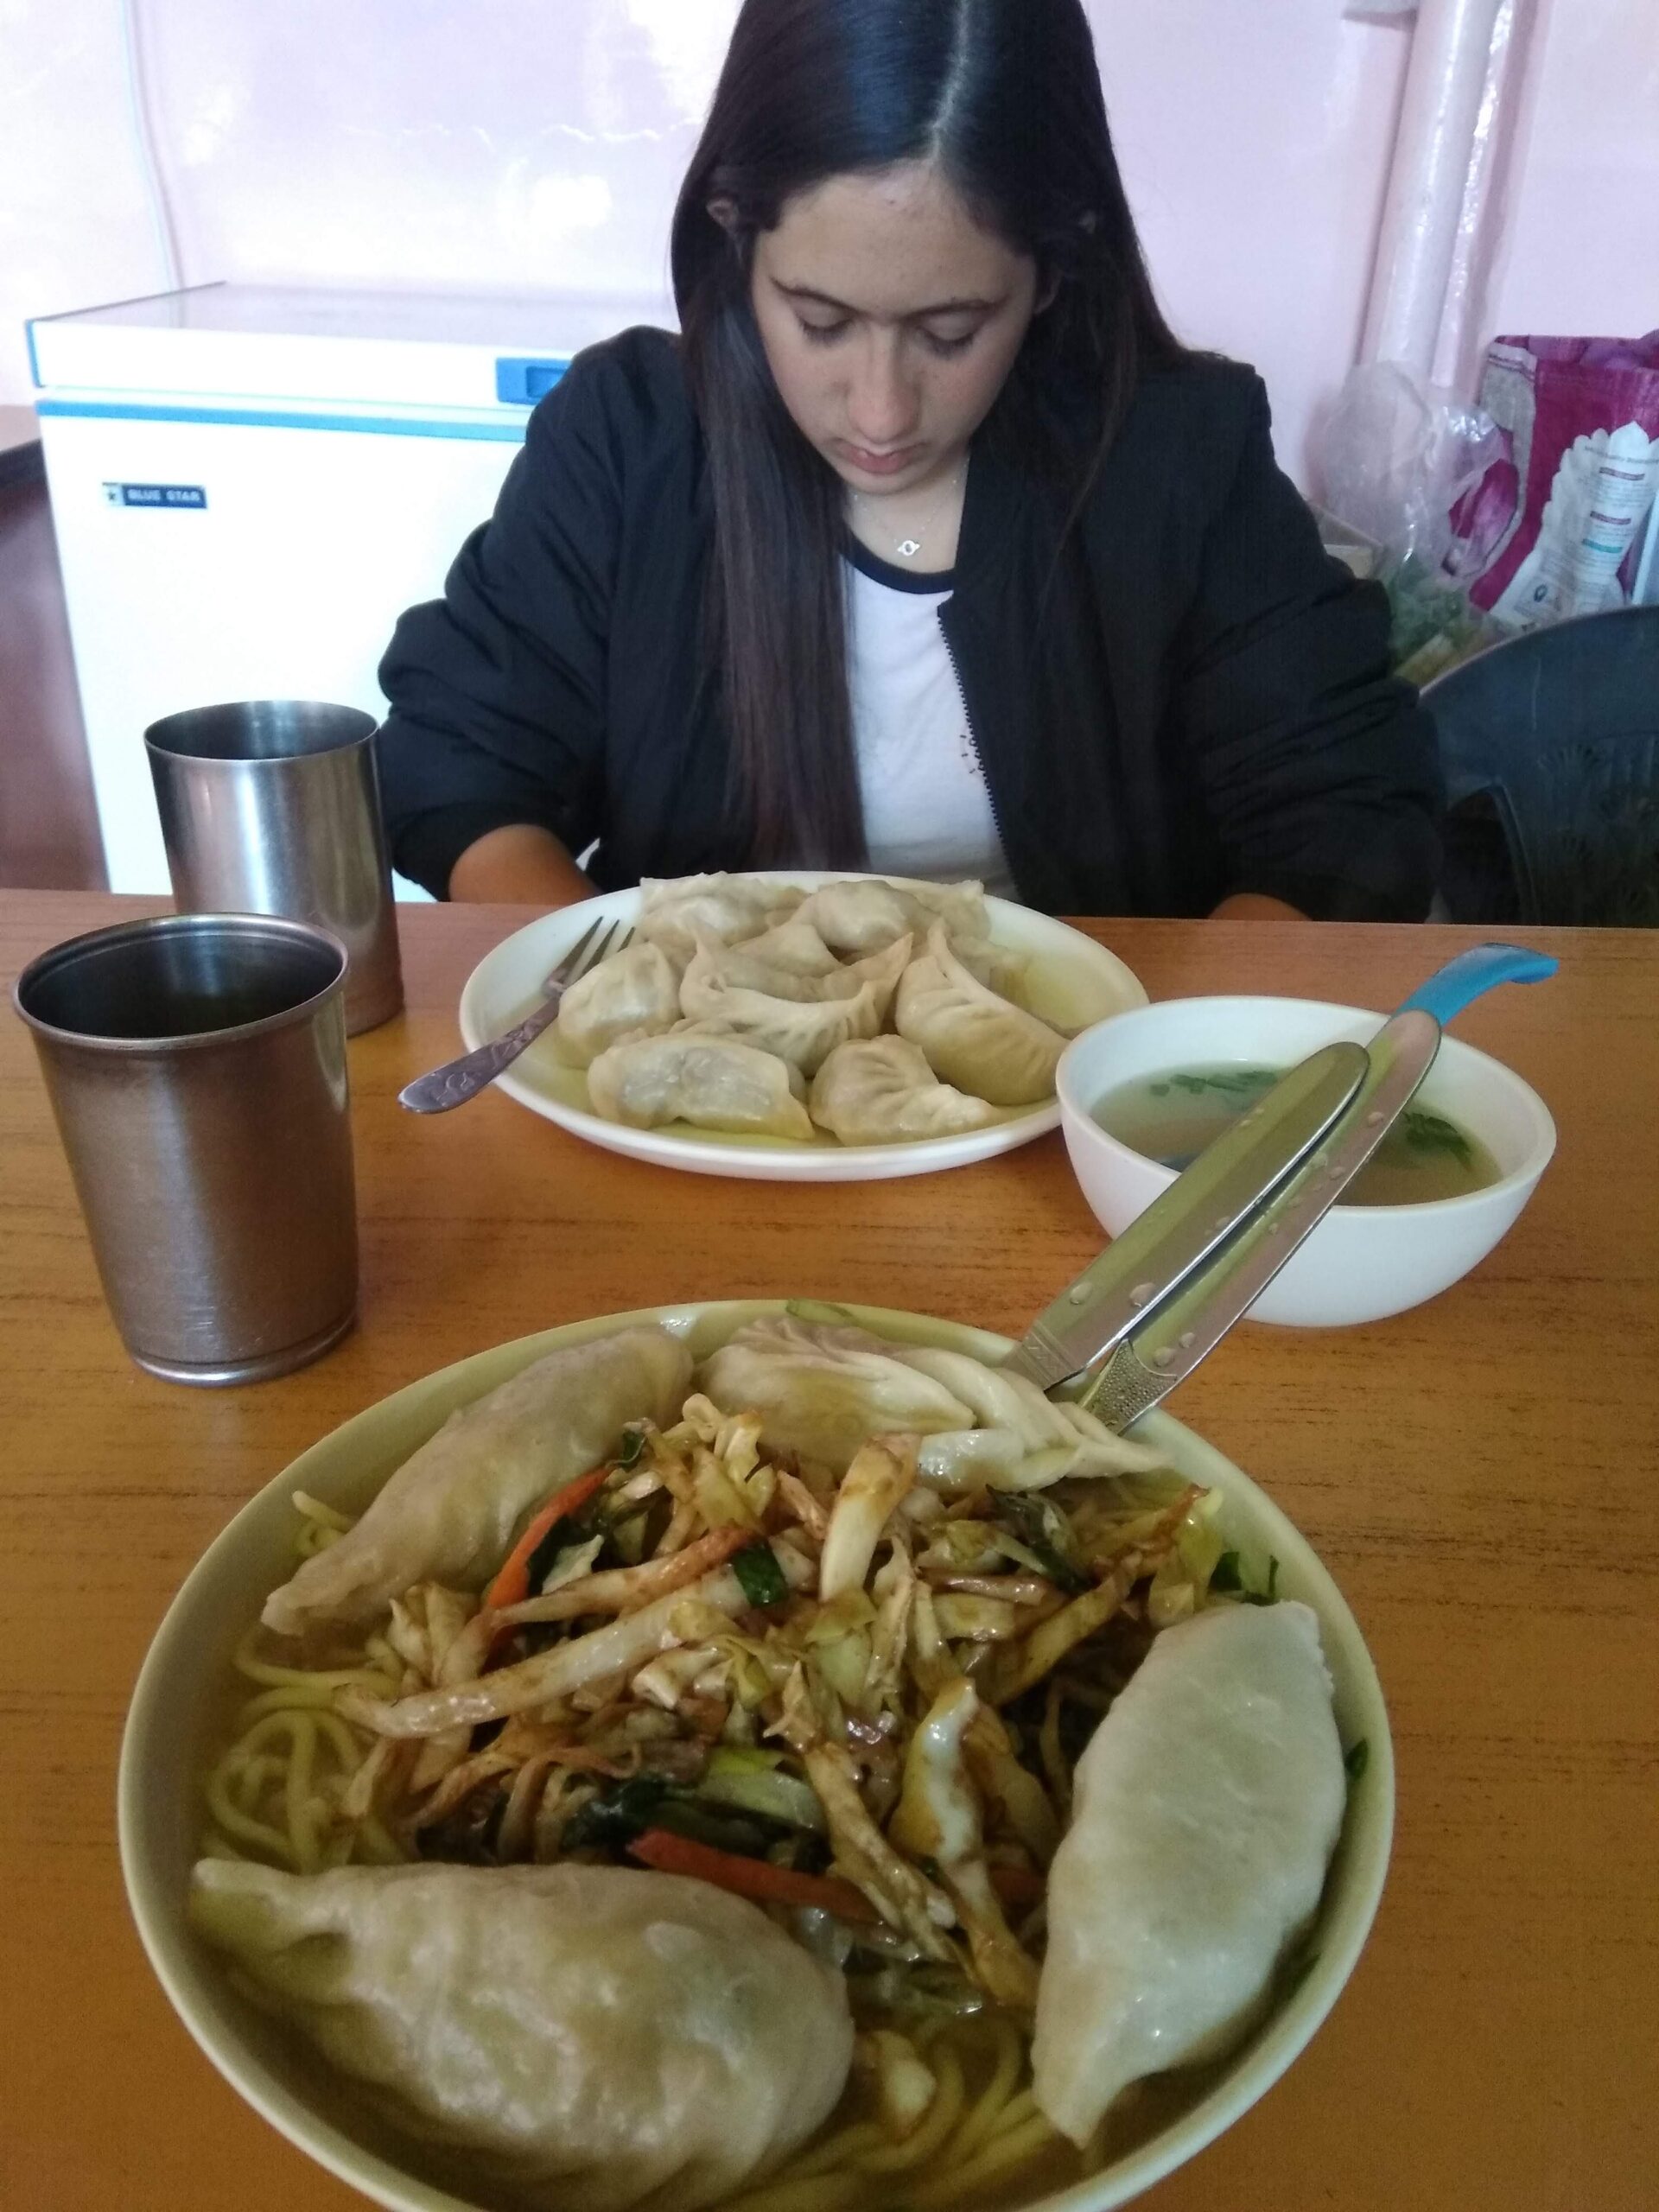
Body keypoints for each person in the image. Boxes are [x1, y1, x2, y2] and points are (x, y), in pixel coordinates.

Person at [378, 0, 1441, 920]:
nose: (880, 411)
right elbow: (457, 768)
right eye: (821, 322)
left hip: (1077, 1074)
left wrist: (1153, 1053)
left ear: (1052, 273)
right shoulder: (628, 441)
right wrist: (622, 1004)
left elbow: (1348, 814)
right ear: (736, 239)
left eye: (950, 332)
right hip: (690, 1082)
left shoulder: (1177, 457)